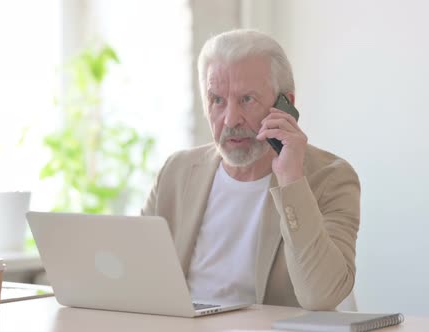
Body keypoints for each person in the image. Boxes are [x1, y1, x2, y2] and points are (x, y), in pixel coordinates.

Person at [142, 29, 360, 310]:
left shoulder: (332, 178)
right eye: (217, 100)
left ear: (285, 105)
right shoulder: (177, 171)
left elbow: (321, 297)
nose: (231, 118)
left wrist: (291, 180)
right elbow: (137, 274)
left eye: (247, 99)